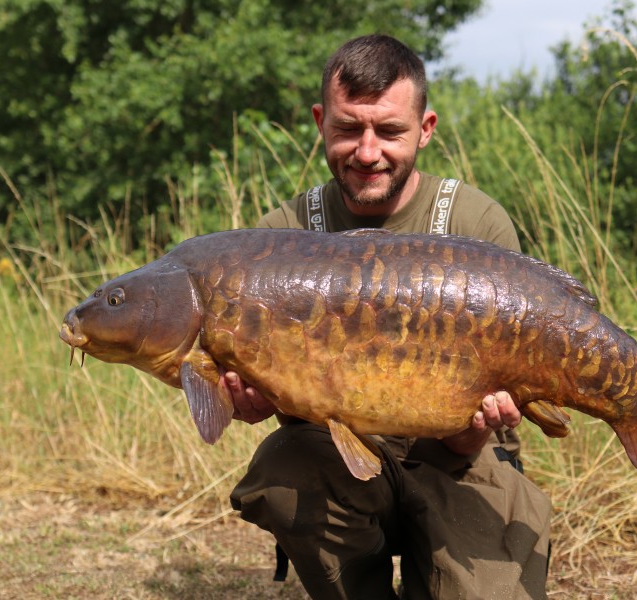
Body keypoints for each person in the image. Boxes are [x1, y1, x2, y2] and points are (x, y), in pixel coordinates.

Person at [223, 34, 551, 599]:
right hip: (339, 464)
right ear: (321, 121)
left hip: (461, 460)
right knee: (284, 469)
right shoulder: (280, 236)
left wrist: (479, 427)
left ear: (425, 129)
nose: (368, 152)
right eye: (349, 129)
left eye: (390, 132)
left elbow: (503, 399)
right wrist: (250, 400)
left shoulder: (476, 222)